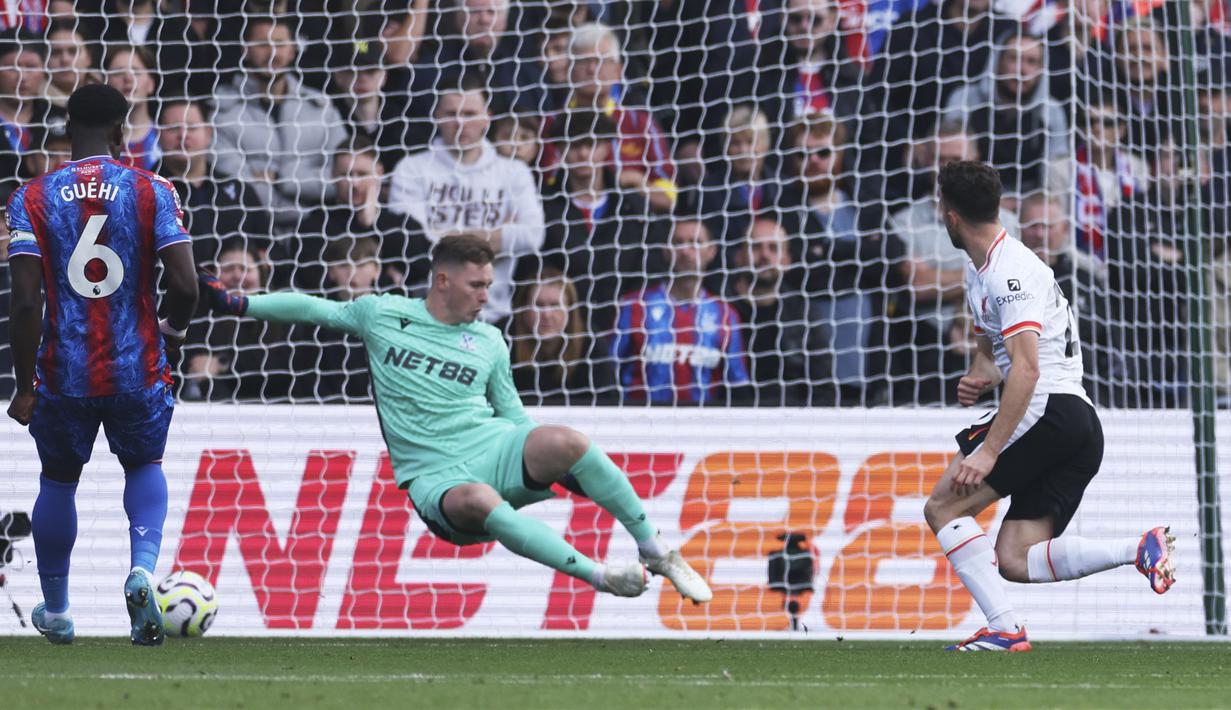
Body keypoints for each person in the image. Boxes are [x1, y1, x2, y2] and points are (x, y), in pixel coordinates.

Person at [198, 234, 712, 603]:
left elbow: (512, 414)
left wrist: (556, 463)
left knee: (568, 441)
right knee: (480, 500)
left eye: (489, 284)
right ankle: (602, 578)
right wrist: (239, 303)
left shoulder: (489, 339)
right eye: (477, 285)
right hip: (435, 476)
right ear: (443, 281)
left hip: (490, 447)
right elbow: (312, 309)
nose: (487, 296)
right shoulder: (384, 314)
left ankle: (657, 549)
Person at [921, 160, 1173, 653]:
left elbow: (1028, 370)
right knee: (1014, 557)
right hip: (1076, 421)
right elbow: (996, 353)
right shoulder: (984, 269)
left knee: (943, 507)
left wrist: (989, 451)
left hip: (1047, 409)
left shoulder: (1010, 272)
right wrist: (979, 374)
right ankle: (1138, 549)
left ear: (950, 216)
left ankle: (1005, 628)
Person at [5, 83, 199, 646]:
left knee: (58, 482)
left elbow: (23, 301)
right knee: (144, 465)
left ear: (67, 131)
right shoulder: (152, 189)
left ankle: (59, 610)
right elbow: (186, 285)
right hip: (136, 368)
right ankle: (142, 570)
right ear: (121, 131)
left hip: (63, 373)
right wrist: (173, 331)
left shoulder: (32, 197)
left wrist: (22, 386)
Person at [387, 74, 544, 325]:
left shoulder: (514, 172)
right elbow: (412, 247)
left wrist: (443, 236)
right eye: (451, 114)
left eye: (470, 114)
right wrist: (494, 237)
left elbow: (533, 236)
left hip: (494, 317)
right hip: (427, 317)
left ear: (487, 118)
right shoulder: (411, 168)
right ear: (437, 116)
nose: (460, 123)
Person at [610, 214, 752, 405]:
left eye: (695, 242)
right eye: (678, 243)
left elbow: (739, 385)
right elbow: (609, 373)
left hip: (701, 427)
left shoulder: (725, 314)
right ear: (666, 251)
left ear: (711, 251)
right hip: (641, 425)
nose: (686, 251)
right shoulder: (634, 306)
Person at [509, 268, 618, 405]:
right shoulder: (505, 342)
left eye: (555, 305)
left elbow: (607, 402)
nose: (547, 315)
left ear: (570, 310)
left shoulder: (590, 344)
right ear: (523, 310)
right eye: (539, 305)